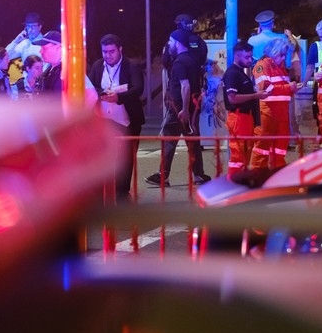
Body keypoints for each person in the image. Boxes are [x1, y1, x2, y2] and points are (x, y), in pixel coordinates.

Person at [146, 28, 210, 187]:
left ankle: (163, 175)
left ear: (178, 43)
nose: (169, 44)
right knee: (193, 140)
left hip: (179, 110)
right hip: (190, 108)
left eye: (171, 41)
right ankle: (199, 175)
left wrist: (184, 110)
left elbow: (185, 86)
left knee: (169, 140)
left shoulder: (180, 62)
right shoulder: (192, 60)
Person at [89, 33, 146, 202]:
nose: (108, 55)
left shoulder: (131, 66)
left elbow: (138, 89)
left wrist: (119, 97)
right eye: (105, 51)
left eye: (111, 51)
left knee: (126, 157)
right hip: (102, 119)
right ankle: (102, 190)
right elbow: (91, 88)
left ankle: (122, 192)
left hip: (127, 119)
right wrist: (102, 94)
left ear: (120, 50)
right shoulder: (98, 66)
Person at [250, 36, 298, 170]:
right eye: (282, 55)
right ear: (274, 51)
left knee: (280, 149)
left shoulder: (281, 68)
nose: (283, 58)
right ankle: (257, 177)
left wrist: (292, 89)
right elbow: (265, 88)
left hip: (281, 114)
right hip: (267, 113)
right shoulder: (263, 65)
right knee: (262, 149)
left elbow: (283, 91)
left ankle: (277, 176)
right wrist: (289, 88)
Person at [221, 41, 264, 178]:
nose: (250, 60)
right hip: (239, 117)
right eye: (247, 57)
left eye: (251, 57)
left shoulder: (240, 73)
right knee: (238, 153)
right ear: (237, 56)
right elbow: (232, 98)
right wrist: (255, 95)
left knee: (245, 152)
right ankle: (234, 183)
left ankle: (241, 180)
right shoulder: (233, 73)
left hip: (245, 117)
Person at [34, 30, 98, 107]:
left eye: (44, 48)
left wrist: (77, 118)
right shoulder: (49, 68)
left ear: (58, 47)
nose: (40, 51)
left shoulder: (70, 69)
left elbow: (92, 96)